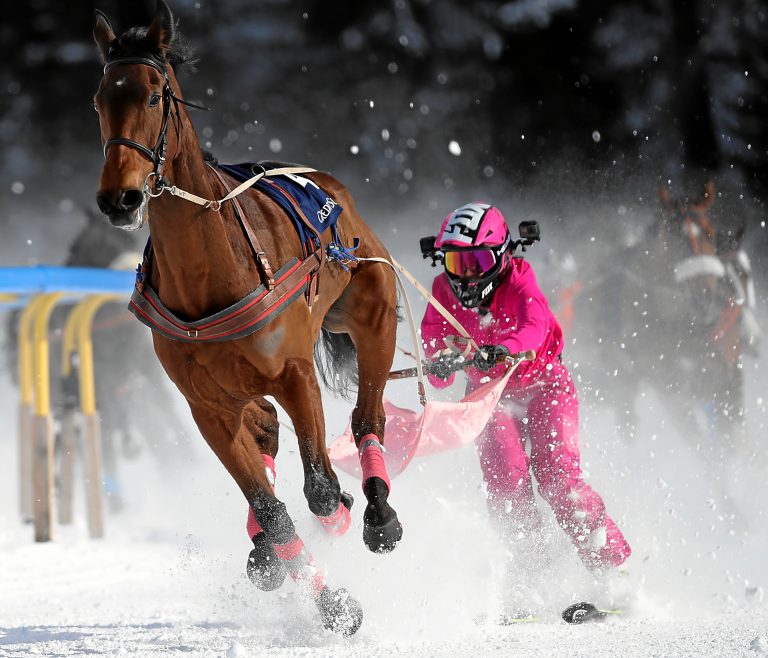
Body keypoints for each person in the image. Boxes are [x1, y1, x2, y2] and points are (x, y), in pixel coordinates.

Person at [419, 202, 631, 586]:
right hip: (489, 397)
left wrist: (506, 348)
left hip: (545, 386)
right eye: (456, 264)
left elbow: (534, 327)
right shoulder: (440, 292)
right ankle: (534, 581)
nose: (466, 276)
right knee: (506, 485)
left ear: (501, 257)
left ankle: (614, 572)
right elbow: (436, 365)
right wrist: (440, 361)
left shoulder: (520, 280)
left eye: (477, 262)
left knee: (557, 478)